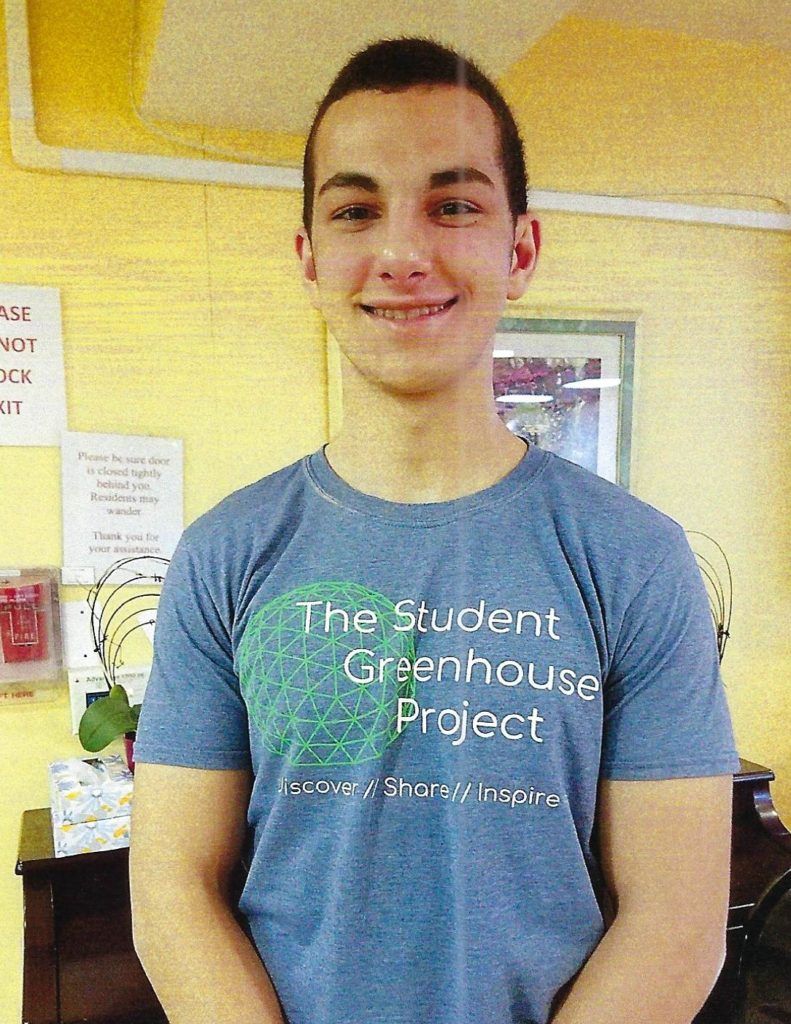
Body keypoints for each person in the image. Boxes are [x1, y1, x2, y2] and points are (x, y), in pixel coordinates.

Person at [129, 37, 740, 1024]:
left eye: (452, 205)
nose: (403, 252)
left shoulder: (633, 558)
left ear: (520, 250)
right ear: (309, 257)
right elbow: (171, 889)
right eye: (355, 209)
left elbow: (675, 921)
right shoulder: (224, 554)